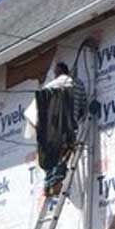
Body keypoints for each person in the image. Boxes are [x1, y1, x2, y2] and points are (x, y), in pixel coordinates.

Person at [36, 61, 88, 197]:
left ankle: (49, 185)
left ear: (56, 74)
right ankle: (55, 183)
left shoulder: (48, 87)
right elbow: (83, 108)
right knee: (62, 156)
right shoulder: (77, 84)